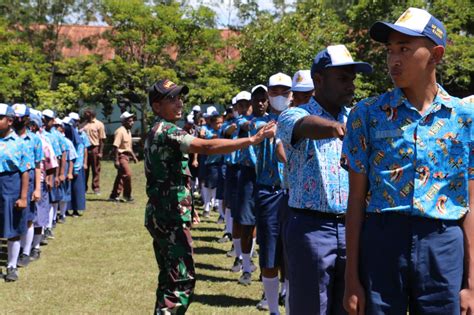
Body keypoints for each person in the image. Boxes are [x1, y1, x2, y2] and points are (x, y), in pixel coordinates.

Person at [341, 8, 474, 314]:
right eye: (389, 51)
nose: (393, 60)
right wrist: (352, 280)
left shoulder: (465, 118)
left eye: (404, 49)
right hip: (382, 240)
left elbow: (470, 202)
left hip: (442, 245)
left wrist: (471, 282)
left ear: (435, 54)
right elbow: (356, 198)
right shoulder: (367, 115)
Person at [144, 78, 275, 314]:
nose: (179, 102)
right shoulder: (167, 131)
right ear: (156, 106)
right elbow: (206, 147)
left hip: (164, 212)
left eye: (180, 97)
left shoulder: (159, 129)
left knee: (169, 277)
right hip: (169, 215)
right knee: (180, 281)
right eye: (171, 98)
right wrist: (252, 140)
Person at [277, 44, 372, 314]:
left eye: (352, 79)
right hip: (310, 228)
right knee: (311, 307)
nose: (351, 86)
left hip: (354, 227)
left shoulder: (356, 117)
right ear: (318, 80)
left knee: (351, 306)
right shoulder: (294, 114)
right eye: (343, 79)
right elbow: (307, 127)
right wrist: (337, 129)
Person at [252, 73, 291, 314]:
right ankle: (272, 304)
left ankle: (286, 295)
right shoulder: (262, 124)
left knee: (291, 250)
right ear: (267, 94)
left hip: (294, 193)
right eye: (274, 91)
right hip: (269, 192)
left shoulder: (299, 119)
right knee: (270, 250)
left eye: (284, 91)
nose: (279, 96)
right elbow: (273, 143)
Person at [0, 103, 30, 282]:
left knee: (12, 228)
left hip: (10, 186)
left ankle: (11, 265)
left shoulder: (19, 143)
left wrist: (23, 197)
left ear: (9, 121)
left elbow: (25, 171)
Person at [11, 104, 43, 268]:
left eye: (20, 117)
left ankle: (26, 251)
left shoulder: (35, 139)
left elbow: (38, 165)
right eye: (14, 117)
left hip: (29, 179)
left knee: (29, 218)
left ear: (26, 119)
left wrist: (37, 188)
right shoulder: (7, 138)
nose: (17, 120)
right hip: (11, 180)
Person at [109, 111, 138, 202]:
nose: (132, 123)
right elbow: (115, 147)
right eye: (129, 121)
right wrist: (116, 160)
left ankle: (114, 195)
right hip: (121, 156)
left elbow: (128, 147)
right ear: (124, 121)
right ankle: (127, 195)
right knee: (127, 174)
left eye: (132, 121)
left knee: (121, 176)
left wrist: (134, 156)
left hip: (126, 156)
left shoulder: (128, 131)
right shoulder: (120, 131)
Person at [82, 108, 106, 195]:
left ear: (91, 114)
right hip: (85, 149)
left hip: (94, 148)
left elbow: (102, 139)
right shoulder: (83, 124)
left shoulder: (99, 124)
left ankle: (96, 187)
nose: (85, 115)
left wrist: (100, 152)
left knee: (95, 169)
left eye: (86, 113)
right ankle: (83, 187)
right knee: (85, 169)